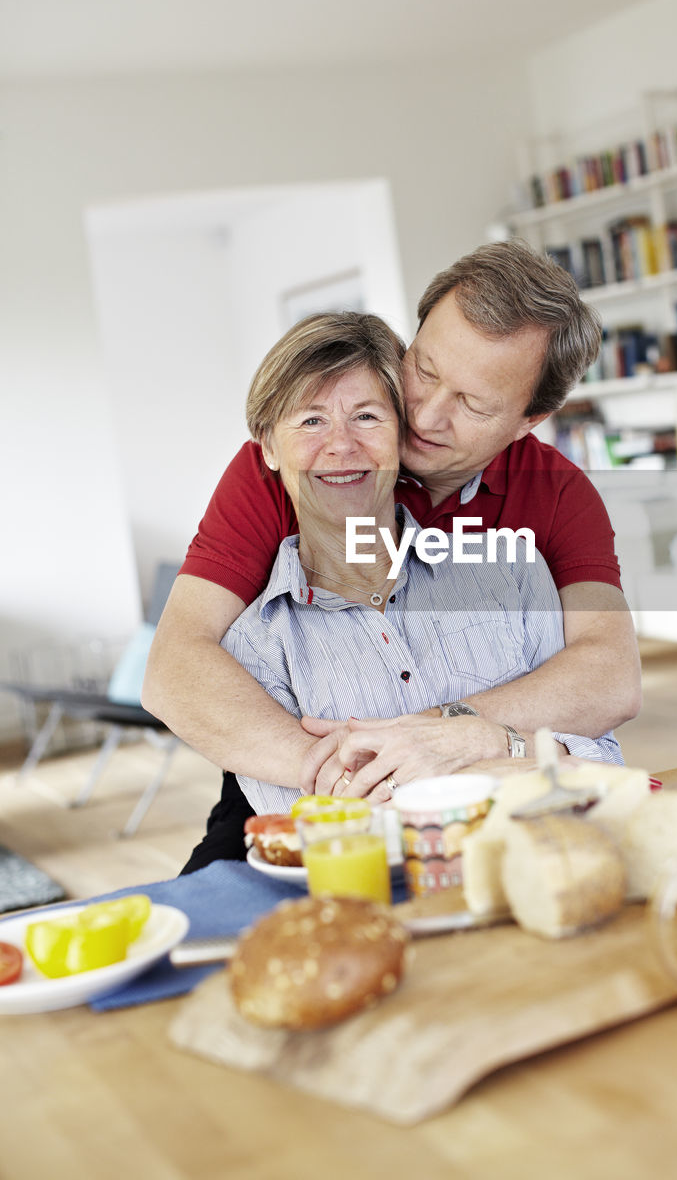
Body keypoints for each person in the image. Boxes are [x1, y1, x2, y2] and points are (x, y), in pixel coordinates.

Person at [142, 240, 641, 869]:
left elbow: (611, 675)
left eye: (473, 403)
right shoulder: (295, 465)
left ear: (528, 419)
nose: (426, 416)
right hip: (298, 769)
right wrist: (355, 766)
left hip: (490, 774)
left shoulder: (557, 497)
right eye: (425, 371)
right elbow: (176, 665)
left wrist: (450, 735)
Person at [223, 311, 622, 817]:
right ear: (269, 449)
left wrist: (466, 740)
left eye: (367, 417)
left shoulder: (514, 572)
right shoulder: (255, 643)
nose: (341, 445)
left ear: (400, 436)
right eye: (311, 420)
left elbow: (603, 768)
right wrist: (507, 750)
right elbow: (312, 830)